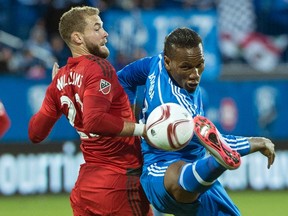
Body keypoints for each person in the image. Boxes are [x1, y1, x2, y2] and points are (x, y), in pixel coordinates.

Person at [117, 27, 276, 215]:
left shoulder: (157, 63)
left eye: (199, 64)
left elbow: (124, 78)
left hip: (202, 183)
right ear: (168, 62)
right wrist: (254, 143)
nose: (195, 74)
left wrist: (132, 124)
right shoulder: (175, 106)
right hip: (159, 174)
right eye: (186, 67)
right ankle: (216, 164)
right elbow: (209, 137)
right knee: (179, 172)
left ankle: (215, 164)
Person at [28, 6, 152, 216]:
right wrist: (144, 129)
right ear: (77, 38)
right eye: (97, 28)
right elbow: (95, 121)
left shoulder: (61, 79)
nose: (105, 33)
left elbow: (35, 134)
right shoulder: (99, 68)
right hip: (119, 185)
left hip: (86, 189)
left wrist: (55, 93)